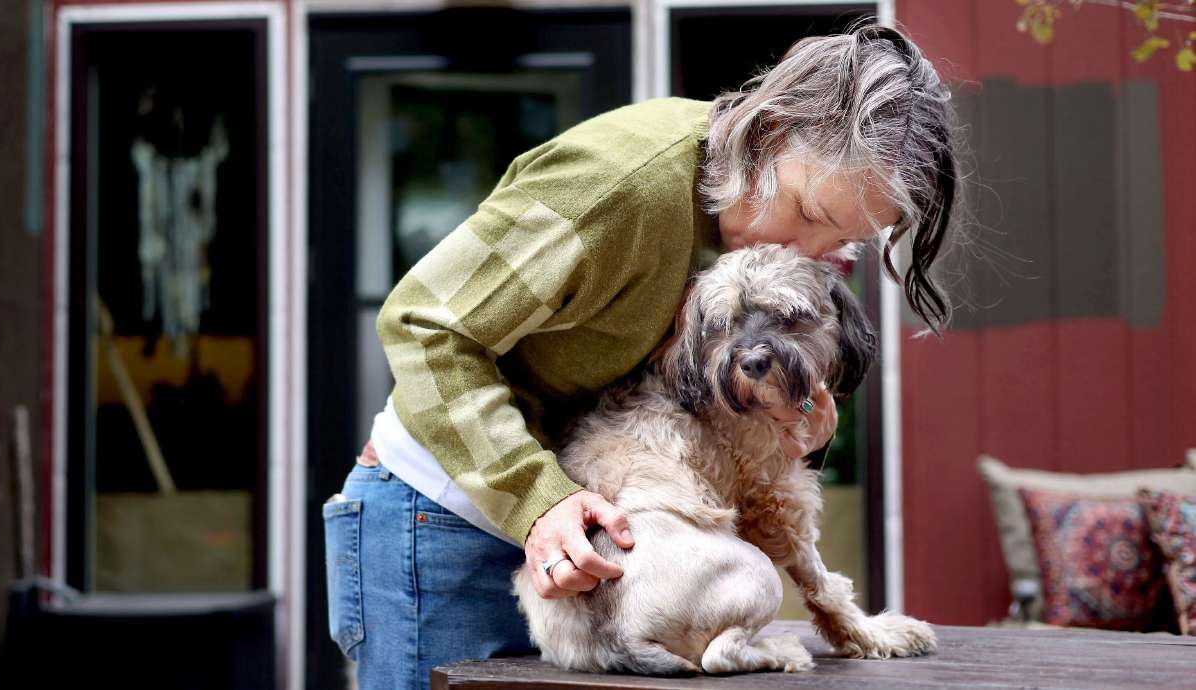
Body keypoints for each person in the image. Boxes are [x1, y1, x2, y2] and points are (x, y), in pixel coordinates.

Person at [323, 24, 960, 690]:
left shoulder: (762, 226)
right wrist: (537, 503)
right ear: (769, 132)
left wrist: (791, 430)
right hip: (446, 520)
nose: (811, 252)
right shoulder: (618, 188)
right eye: (806, 211)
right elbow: (424, 323)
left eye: (846, 239)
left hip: (606, 540)